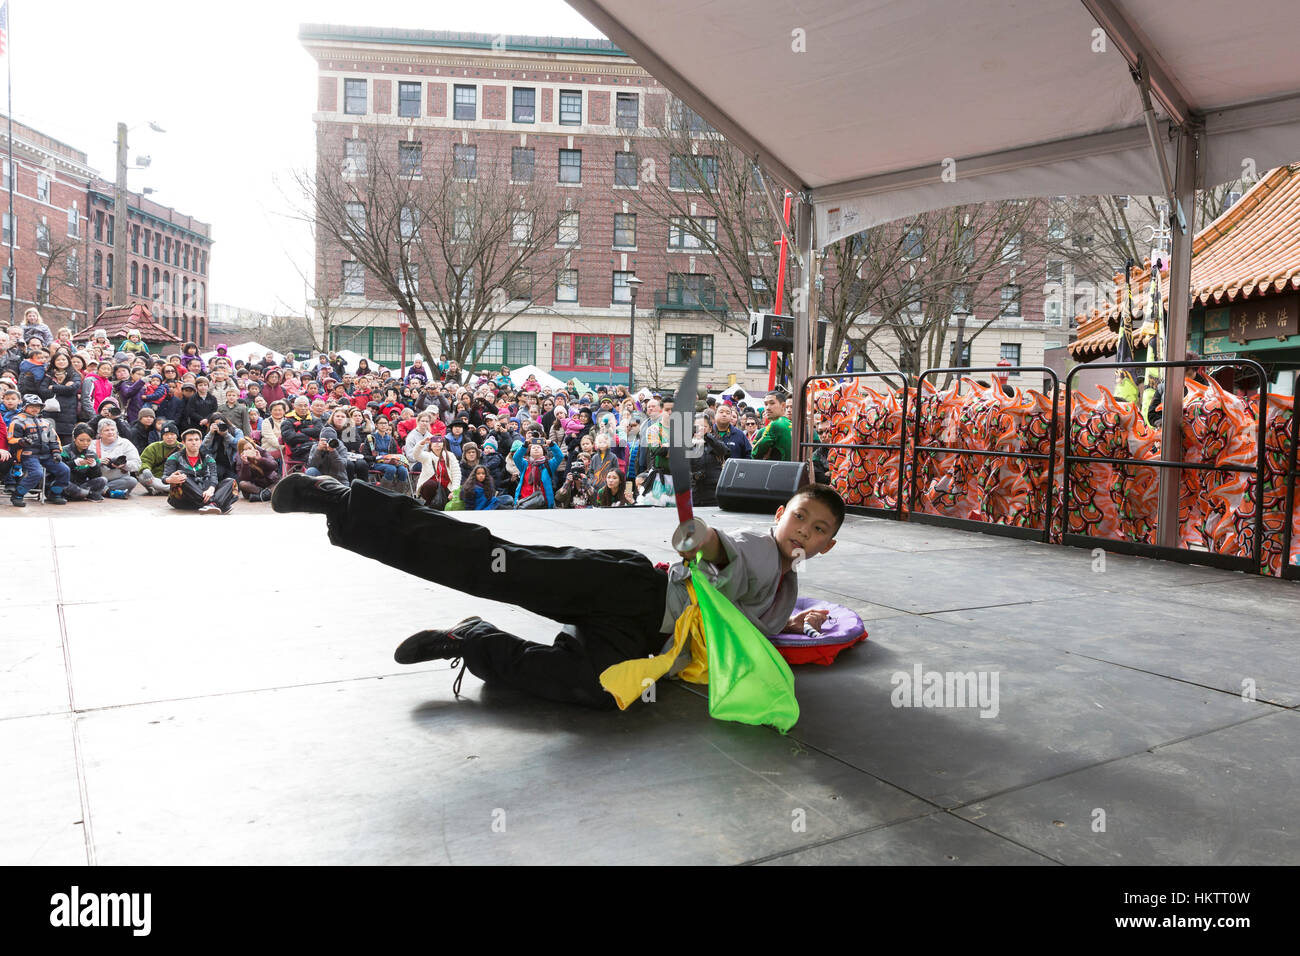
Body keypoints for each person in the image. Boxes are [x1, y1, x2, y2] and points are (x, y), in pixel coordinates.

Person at [272, 476, 843, 710]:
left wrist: (797, 624)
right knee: (495, 564)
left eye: (818, 531)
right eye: (800, 518)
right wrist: (708, 539)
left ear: (827, 546)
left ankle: (472, 641)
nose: (804, 533)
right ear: (780, 513)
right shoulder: (761, 548)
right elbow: (730, 556)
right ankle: (344, 502)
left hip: (641, 642)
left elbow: (746, 619)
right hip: (631, 591)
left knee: (590, 690)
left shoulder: (786, 592)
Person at [8, 393, 70, 505]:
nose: (35, 409)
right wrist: (22, 442)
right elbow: (11, 440)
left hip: (46, 455)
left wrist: (56, 452)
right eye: (31, 406)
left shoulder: (46, 422)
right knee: (37, 473)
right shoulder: (17, 421)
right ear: (24, 407)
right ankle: (17, 495)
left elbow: (54, 439)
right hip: (28, 455)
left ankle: (54, 494)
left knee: (64, 470)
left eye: (37, 406)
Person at [162, 428, 237, 514]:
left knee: (231, 482)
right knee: (181, 475)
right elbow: (164, 478)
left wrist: (211, 489)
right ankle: (215, 503)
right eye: (190, 440)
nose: (194, 442)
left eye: (196, 439)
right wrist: (170, 479)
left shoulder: (208, 458)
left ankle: (212, 504)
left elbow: (213, 477)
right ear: (183, 442)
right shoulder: (174, 458)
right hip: (184, 499)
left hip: (205, 492)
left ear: (201, 442)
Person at [92, 418, 142, 498]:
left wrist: (124, 464)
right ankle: (109, 492)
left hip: (118, 479)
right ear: (100, 433)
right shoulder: (93, 444)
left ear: (117, 432)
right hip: (99, 479)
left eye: (113, 429)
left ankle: (100, 490)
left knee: (132, 481)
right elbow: (86, 465)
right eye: (106, 430)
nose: (110, 432)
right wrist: (98, 462)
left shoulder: (125, 443)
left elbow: (137, 465)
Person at [61, 425, 110, 501]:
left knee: (103, 480)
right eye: (81, 440)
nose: (85, 443)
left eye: (88, 440)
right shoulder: (64, 451)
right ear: (74, 438)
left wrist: (93, 466)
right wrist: (75, 463)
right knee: (64, 485)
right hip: (67, 482)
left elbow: (96, 476)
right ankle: (87, 494)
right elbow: (59, 469)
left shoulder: (92, 454)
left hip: (82, 484)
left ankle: (82, 494)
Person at [511, 436, 563, 508]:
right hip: (525, 502)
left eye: (538, 447)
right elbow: (516, 457)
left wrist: (551, 444)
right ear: (529, 452)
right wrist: (525, 445)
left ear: (543, 451)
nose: (536, 449)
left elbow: (559, 456)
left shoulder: (549, 465)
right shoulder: (524, 464)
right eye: (533, 448)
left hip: (544, 503)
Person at [414, 432, 460, 508]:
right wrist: (422, 443)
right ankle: (431, 504)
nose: (437, 444)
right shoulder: (427, 456)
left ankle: (438, 505)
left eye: (439, 442)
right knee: (430, 484)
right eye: (434, 442)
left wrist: (454, 491)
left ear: (443, 444)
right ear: (430, 445)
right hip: (430, 489)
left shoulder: (450, 456)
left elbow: (456, 474)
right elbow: (416, 454)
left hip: (446, 488)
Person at [366, 418, 410, 490]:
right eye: (381, 423)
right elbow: (367, 455)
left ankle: (398, 494)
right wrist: (379, 458)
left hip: (391, 462)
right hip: (376, 462)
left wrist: (394, 460)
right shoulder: (371, 438)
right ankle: (384, 492)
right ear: (376, 425)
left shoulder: (391, 439)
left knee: (403, 470)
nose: (383, 425)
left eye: (385, 423)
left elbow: (395, 454)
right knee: (391, 469)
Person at [138, 421, 181, 494]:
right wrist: (145, 469)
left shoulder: (183, 448)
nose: (169, 437)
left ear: (177, 435)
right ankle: (169, 489)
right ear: (162, 436)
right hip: (156, 478)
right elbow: (145, 460)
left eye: (172, 434)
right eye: (166, 435)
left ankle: (160, 489)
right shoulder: (153, 447)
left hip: (175, 478)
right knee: (142, 477)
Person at [752, 391, 792, 461]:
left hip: (778, 469)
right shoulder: (791, 424)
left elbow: (754, 453)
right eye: (765, 404)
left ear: (783, 405)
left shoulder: (775, 424)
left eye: (772, 403)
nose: (767, 408)